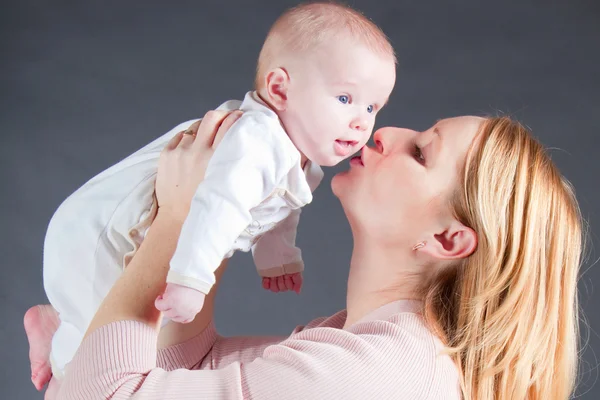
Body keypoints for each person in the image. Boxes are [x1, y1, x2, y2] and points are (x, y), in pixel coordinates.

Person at [28, 109, 582, 399]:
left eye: (421, 151)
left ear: (446, 239)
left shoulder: (376, 378)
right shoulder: (371, 349)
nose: (386, 131)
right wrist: (218, 206)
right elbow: (184, 366)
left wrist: (173, 226)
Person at [25, 1, 397, 390]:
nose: (361, 122)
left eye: (372, 107)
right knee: (96, 352)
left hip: (132, 237)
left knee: (138, 328)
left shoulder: (298, 159)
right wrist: (191, 280)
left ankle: (57, 320)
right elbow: (217, 206)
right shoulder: (256, 140)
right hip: (101, 232)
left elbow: (280, 209)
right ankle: (59, 337)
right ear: (279, 88)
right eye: (345, 99)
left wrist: (278, 256)